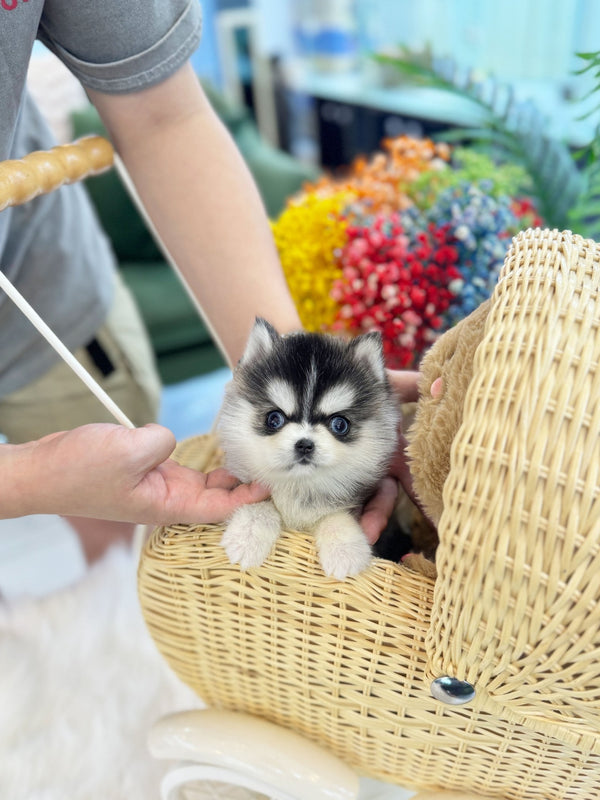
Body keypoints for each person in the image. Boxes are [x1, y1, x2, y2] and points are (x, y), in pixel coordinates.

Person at [0, 1, 418, 560]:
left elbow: (162, 117)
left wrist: (286, 362)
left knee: (110, 543)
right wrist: (26, 482)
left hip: (38, 292)